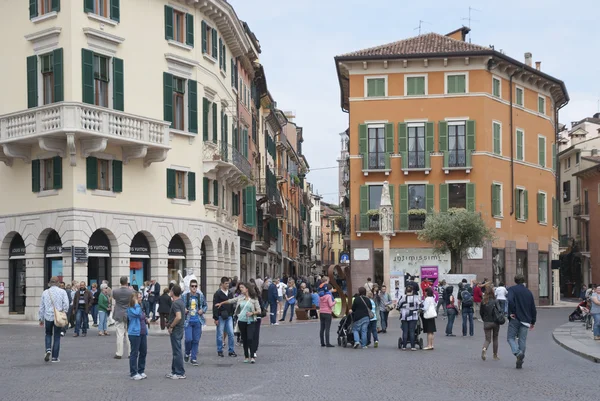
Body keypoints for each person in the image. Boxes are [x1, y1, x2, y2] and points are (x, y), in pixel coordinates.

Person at [215, 283, 262, 364]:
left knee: (250, 338)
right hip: (241, 321)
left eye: (242, 288)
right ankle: (246, 356)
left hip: (251, 321)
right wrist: (221, 303)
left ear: (247, 289)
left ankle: (252, 356)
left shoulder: (254, 299)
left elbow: (259, 310)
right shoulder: (240, 298)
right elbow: (231, 301)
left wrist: (252, 313)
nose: (241, 289)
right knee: (245, 339)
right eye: (240, 288)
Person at [506, 274, 537, 369]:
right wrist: (533, 321)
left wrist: (512, 312)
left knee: (510, 338)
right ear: (523, 281)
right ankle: (520, 359)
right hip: (526, 320)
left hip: (515, 318)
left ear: (515, 280)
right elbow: (533, 307)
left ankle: (517, 353)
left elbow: (510, 300)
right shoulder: (528, 292)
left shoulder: (512, 289)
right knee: (522, 340)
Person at [39, 276, 69, 363]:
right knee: (57, 336)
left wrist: (41, 318)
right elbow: (66, 304)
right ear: (58, 283)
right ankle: (55, 357)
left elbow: (42, 307)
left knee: (48, 334)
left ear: (50, 283)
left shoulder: (45, 292)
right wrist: (64, 312)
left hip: (48, 316)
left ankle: (48, 349)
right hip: (58, 317)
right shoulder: (62, 292)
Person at [181, 279, 207, 366]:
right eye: (192, 286)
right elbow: (180, 305)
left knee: (196, 340)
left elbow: (205, 306)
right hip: (188, 321)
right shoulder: (185, 296)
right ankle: (187, 352)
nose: (194, 288)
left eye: (195, 286)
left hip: (198, 321)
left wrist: (202, 310)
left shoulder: (200, 296)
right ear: (189, 287)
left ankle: (194, 358)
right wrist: (183, 309)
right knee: (189, 339)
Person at [213, 277, 237, 357]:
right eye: (226, 283)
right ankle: (220, 350)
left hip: (229, 316)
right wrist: (215, 318)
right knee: (220, 334)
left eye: (228, 283)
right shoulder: (217, 293)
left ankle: (231, 350)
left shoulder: (230, 293)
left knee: (231, 333)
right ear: (222, 284)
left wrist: (233, 313)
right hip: (220, 316)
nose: (227, 285)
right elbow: (215, 306)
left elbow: (232, 304)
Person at [166, 285, 186, 379]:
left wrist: (171, 326)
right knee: (176, 350)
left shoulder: (175, 303)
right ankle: (174, 371)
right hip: (180, 328)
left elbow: (178, 317)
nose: (170, 291)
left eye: (171, 290)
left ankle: (179, 372)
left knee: (177, 351)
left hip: (176, 329)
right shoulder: (181, 301)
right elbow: (185, 312)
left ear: (173, 292)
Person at [127, 292, 148, 380]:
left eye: (140, 297)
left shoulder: (140, 307)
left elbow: (142, 316)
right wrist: (136, 304)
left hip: (142, 332)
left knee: (143, 352)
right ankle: (133, 372)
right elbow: (136, 314)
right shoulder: (130, 308)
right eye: (138, 298)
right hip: (134, 333)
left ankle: (141, 370)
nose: (140, 299)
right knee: (134, 353)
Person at [113, 276, 134, 360]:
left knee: (119, 334)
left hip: (119, 313)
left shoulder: (115, 291)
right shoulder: (131, 292)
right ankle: (130, 353)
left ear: (120, 282)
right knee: (129, 334)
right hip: (129, 313)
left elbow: (115, 299)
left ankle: (119, 353)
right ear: (127, 282)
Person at [480, 285, 501, 361]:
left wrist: (484, 320)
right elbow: (499, 310)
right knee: (495, 338)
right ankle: (495, 355)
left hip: (486, 322)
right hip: (495, 322)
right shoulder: (495, 301)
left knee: (487, 339)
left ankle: (484, 348)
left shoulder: (483, 301)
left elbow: (481, 312)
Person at [398, 286, 422, 350]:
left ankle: (404, 346)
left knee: (405, 331)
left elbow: (398, 306)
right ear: (412, 291)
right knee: (412, 331)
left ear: (406, 291)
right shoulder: (416, 298)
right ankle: (413, 346)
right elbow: (421, 305)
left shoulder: (403, 297)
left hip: (404, 315)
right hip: (413, 315)